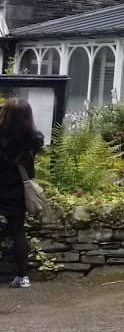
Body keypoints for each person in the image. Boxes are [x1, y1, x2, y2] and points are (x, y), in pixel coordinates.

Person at [0, 100, 43, 288]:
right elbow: (29, 169)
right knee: (17, 231)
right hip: (17, 189)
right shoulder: (33, 139)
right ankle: (23, 276)